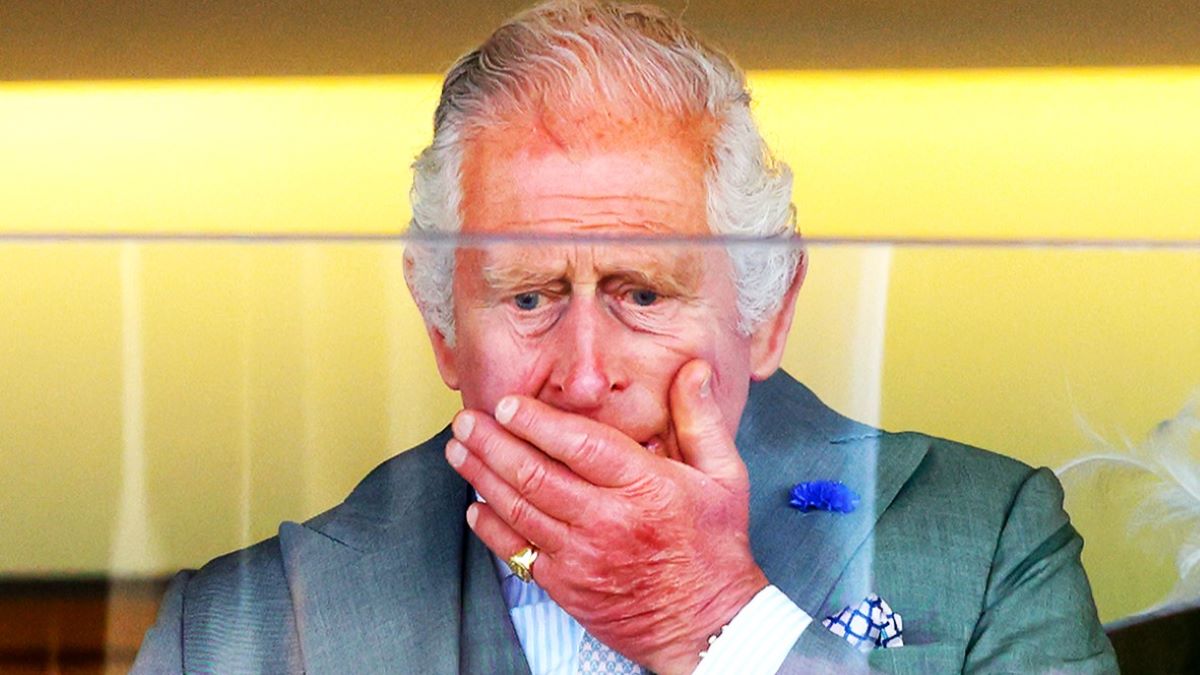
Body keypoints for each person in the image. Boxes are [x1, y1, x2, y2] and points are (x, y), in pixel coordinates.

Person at [133, 1, 1117, 672]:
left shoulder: (989, 537)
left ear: (767, 314)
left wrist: (711, 623)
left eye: (643, 293)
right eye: (528, 298)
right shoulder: (234, 633)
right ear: (442, 333)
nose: (586, 372)